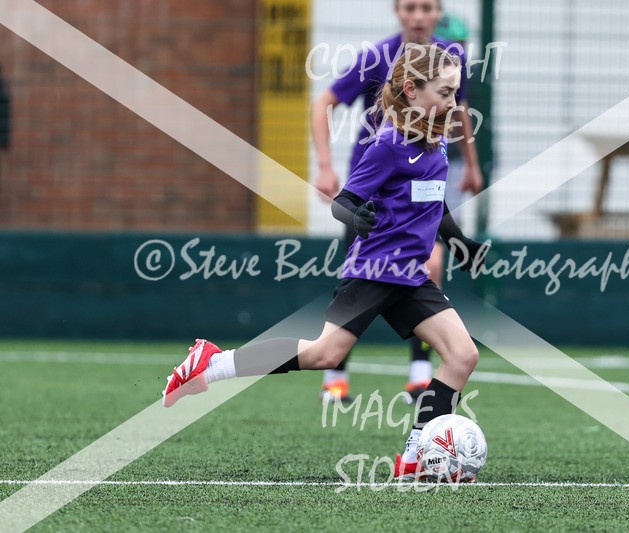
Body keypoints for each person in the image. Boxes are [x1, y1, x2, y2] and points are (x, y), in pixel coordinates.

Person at [163, 44, 489, 480]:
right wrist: (358, 217)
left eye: (455, 93)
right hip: (374, 271)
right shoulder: (388, 144)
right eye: (445, 93)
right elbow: (344, 202)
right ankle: (213, 363)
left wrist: (460, 242)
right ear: (412, 90)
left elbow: (435, 202)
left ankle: (414, 456)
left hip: (410, 275)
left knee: (463, 355)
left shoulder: (438, 143)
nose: (453, 103)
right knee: (324, 354)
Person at [311, 0, 483, 403]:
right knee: (360, 277)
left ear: (438, 12)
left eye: (427, 7)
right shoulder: (376, 58)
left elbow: (459, 110)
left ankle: (420, 376)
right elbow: (323, 103)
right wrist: (324, 166)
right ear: (398, 12)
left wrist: (472, 164)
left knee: (431, 266)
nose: (418, 16)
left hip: (422, 179)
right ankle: (334, 375)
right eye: (410, 7)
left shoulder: (450, 59)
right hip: (372, 189)